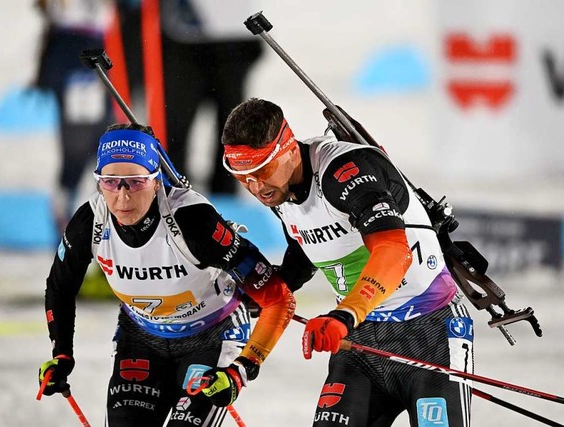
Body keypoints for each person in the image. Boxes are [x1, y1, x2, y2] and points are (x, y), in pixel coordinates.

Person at [221, 98, 473, 426]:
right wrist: (261, 292)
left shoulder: (344, 172)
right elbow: (307, 249)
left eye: (262, 170)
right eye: (242, 176)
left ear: (288, 147)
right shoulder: (280, 190)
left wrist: (344, 314)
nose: (255, 186)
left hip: (430, 330)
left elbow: (394, 251)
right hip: (361, 341)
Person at [38, 122, 296, 426]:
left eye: (135, 183)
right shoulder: (89, 222)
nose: (122, 198)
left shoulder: (193, 221)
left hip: (211, 337)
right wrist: (62, 354)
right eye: (109, 183)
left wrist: (241, 370)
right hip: (141, 338)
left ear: (157, 181)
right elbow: (60, 286)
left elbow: (279, 299)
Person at [115, 0, 263, 195]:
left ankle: (226, 201)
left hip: (234, 36)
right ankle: (172, 194)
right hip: (183, 38)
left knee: (232, 131)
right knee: (175, 127)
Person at [33, 0, 114, 233]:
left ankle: (107, 238)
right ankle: (68, 235)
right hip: (77, 50)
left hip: (113, 46)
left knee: (113, 150)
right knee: (81, 151)